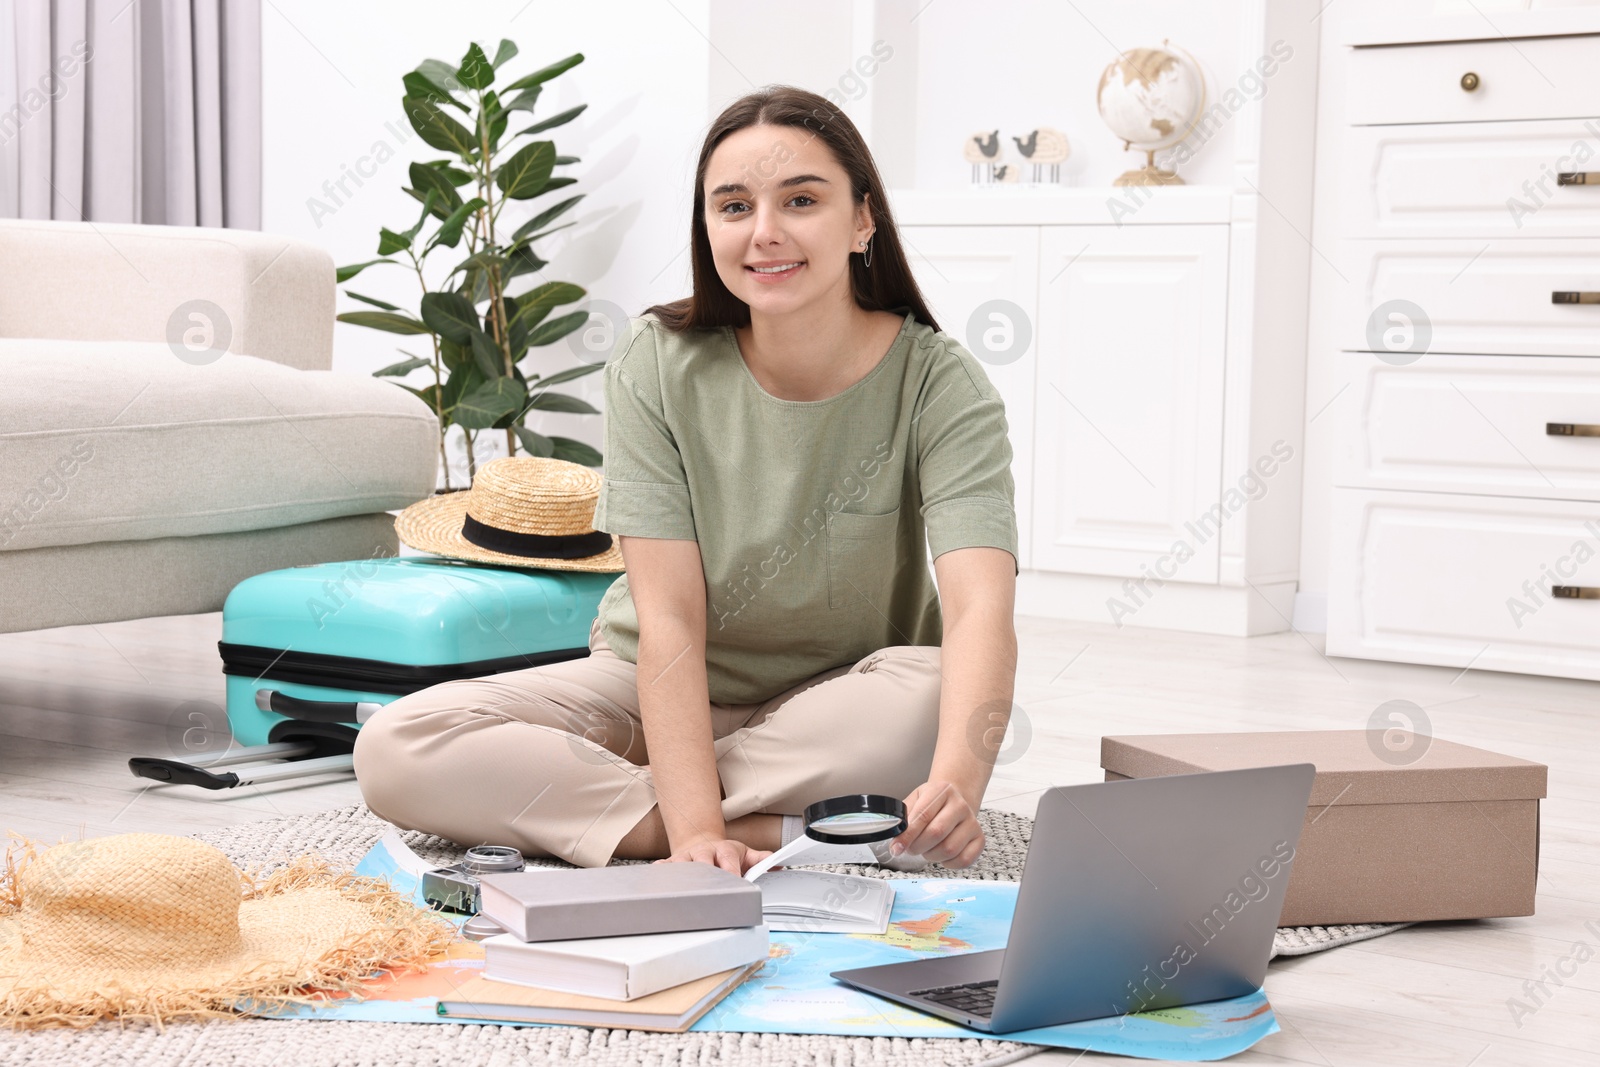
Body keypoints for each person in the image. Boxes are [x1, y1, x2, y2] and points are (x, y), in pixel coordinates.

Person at [352, 85, 1019, 877]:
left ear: (863, 218)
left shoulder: (941, 382)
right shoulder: (657, 361)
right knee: (396, 745)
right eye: (733, 207)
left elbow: (980, 606)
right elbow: (667, 616)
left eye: (801, 200)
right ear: (709, 228)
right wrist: (696, 827)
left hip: (842, 698)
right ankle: (798, 827)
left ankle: (619, 806)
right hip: (650, 684)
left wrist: (953, 788)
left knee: (930, 691)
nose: (765, 233)